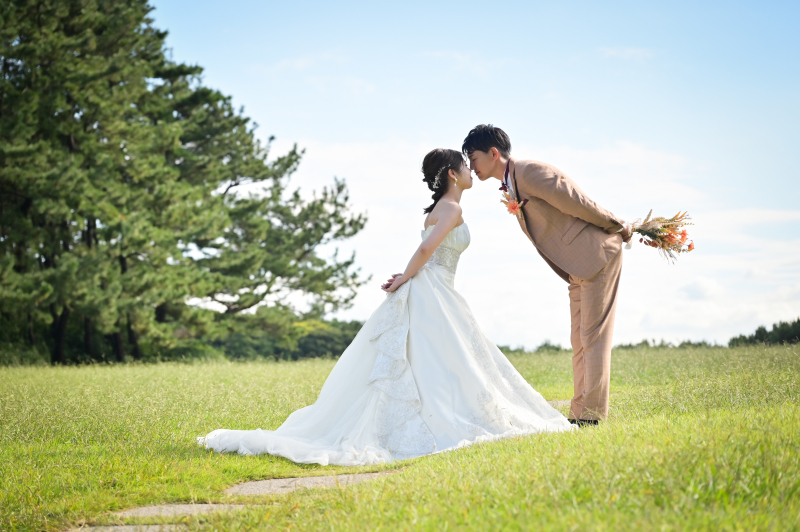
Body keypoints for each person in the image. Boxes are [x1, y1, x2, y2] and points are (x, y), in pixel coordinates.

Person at [197, 148, 573, 466]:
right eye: (464, 166)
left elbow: (429, 252)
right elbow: (426, 250)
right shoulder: (451, 210)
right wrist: (406, 277)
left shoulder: (444, 208)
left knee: (441, 361)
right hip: (433, 291)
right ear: (452, 176)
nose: (470, 171)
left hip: (438, 288)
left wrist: (408, 275)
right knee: (441, 359)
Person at [462, 125, 632, 426]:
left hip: (597, 256)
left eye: (473, 158)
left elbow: (577, 201)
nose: (471, 167)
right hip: (575, 266)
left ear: (493, 153)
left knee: (593, 339)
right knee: (579, 340)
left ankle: (591, 417)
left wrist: (617, 224)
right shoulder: (512, 182)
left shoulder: (531, 172)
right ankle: (579, 413)